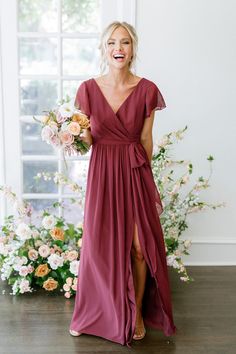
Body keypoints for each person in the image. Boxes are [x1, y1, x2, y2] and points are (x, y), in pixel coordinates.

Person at [69, 20, 177, 348]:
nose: (119, 48)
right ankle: (91, 314)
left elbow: (146, 139)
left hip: (135, 172)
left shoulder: (147, 90)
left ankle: (138, 312)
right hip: (103, 172)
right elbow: (87, 140)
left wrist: (146, 180)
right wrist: (70, 136)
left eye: (125, 43)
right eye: (113, 42)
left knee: (140, 247)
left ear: (133, 50)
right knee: (99, 247)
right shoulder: (87, 89)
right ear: (104, 48)